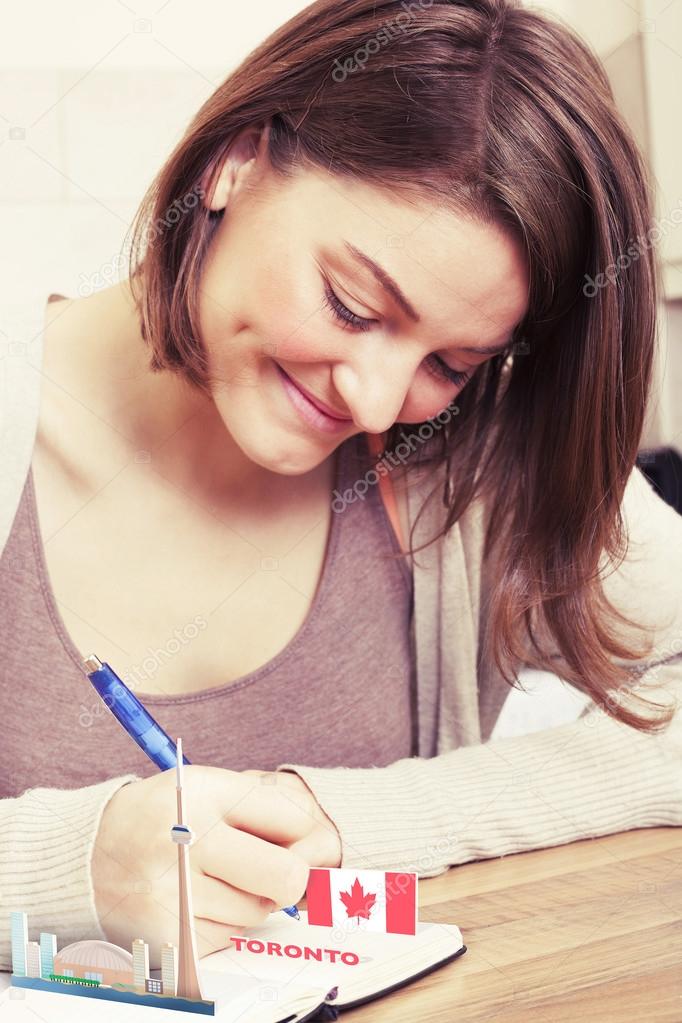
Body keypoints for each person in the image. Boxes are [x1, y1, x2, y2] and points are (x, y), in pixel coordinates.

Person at [1, 0, 681, 971]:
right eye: (352, 305)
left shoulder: (467, 454)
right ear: (235, 160)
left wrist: (342, 817)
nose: (375, 401)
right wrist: (72, 870)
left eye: (448, 360)